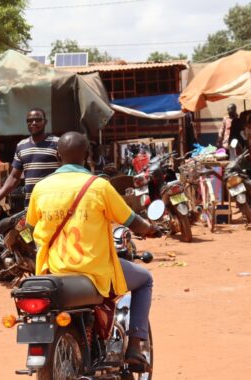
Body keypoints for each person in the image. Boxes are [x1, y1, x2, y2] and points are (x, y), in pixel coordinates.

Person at [27, 132, 161, 371]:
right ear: (87, 155)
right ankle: (135, 347)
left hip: (54, 271)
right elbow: (132, 221)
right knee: (145, 280)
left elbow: (31, 225)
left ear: (58, 156)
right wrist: (151, 228)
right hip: (94, 273)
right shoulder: (99, 187)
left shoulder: (40, 188)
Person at [0, 108, 60, 214]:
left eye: (38, 120)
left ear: (45, 122)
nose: (33, 123)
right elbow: (14, 177)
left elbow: (68, 173)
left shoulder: (57, 143)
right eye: (30, 120)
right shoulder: (22, 146)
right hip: (31, 205)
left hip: (54, 204)